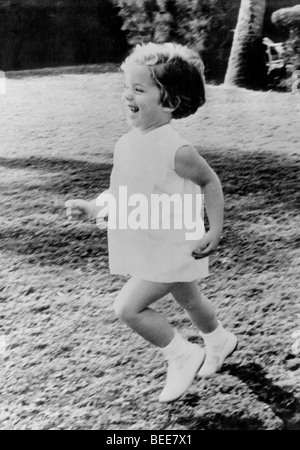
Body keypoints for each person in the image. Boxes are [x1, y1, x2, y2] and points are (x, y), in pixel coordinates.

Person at [65, 42, 237, 403]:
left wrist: (216, 228)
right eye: (126, 87)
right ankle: (219, 340)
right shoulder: (127, 143)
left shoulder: (177, 150)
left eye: (139, 89)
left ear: (170, 101)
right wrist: (94, 208)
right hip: (150, 241)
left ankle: (182, 355)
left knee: (128, 308)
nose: (127, 94)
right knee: (189, 297)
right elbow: (123, 191)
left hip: (174, 245)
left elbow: (211, 182)